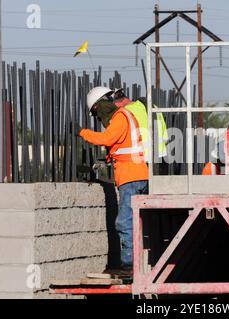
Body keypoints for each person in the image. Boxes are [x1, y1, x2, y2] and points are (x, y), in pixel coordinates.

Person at [77, 87, 148, 276]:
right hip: (137, 174)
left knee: (124, 222)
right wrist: (110, 158)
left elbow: (107, 138)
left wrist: (83, 133)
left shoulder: (120, 117)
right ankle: (136, 263)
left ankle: (129, 266)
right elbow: (121, 145)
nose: (98, 117)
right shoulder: (127, 116)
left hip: (130, 177)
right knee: (135, 222)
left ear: (102, 105)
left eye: (96, 112)